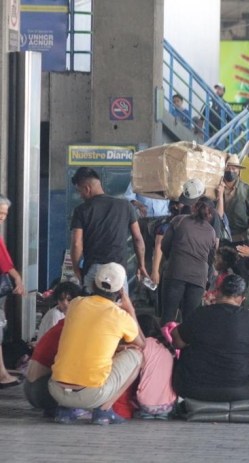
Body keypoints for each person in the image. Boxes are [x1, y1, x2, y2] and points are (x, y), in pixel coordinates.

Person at [48, 263, 145, 425]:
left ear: (93, 284)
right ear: (121, 291)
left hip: (56, 390)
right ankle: (104, 410)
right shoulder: (120, 316)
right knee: (137, 356)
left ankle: (65, 409)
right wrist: (131, 310)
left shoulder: (75, 304)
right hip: (92, 395)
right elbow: (142, 344)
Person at [171, 274, 249, 402]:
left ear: (218, 293)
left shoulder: (200, 313)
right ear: (242, 299)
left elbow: (177, 342)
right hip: (239, 392)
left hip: (194, 389)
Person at [70, 167, 148, 294]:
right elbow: (138, 239)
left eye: (80, 192)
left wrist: (76, 268)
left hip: (94, 270)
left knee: (92, 311)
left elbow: (76, 243)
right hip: (118, 271)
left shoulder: (81, 210)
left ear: (87, 188)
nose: (80, 196)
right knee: (119, 311)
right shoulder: (125, 206)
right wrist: (141, 265)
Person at [160, 196, 217, 323]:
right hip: (198, 278)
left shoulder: (179, 221)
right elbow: (211, 259)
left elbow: (165, 245)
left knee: (168, 315)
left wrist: (174, 258)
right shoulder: (212, 232)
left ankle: (164, 341)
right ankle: (186, 342)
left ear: (194, 207)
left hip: (176, 272)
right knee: (190, 319)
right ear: (211, 213)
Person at [135, 315, 177, 420]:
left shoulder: (143, 345)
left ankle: (146, 414)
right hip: (168, 405)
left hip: (146, 403)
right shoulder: (167, 347)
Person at [217, 154, 249, 244]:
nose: (231, 171)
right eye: (228, 168)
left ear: (238, 171)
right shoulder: (216, 187)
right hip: (221, 237)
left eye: (234, 168)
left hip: (241, 239)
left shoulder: (246, 189)